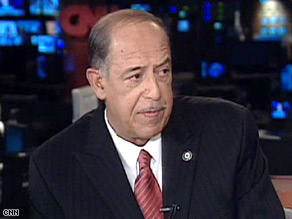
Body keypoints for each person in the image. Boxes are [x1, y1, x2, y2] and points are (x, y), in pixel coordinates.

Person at [29, 9, 285, 218]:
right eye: (135, 76)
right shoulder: (54, 166)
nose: (155, 92)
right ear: (99, 83)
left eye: (163, 72)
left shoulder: (229, 131)